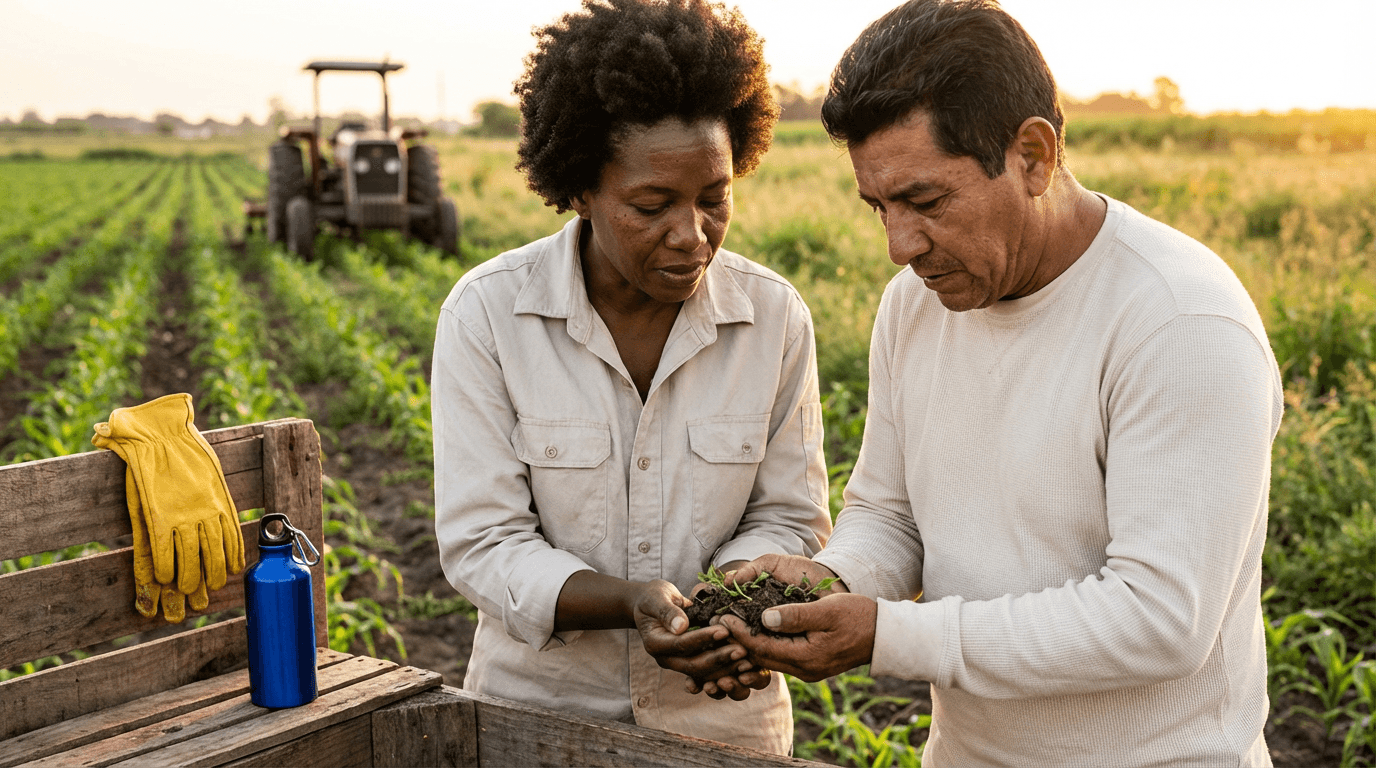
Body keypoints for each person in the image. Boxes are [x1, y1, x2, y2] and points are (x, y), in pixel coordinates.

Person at [720, 1, 1284, 765]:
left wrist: (890, 635)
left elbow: (1160, 621)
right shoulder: (915, 304)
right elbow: (891, 513)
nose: (899, 245)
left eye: (925, 201)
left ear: (1033, 156)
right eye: (879, 207)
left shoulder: (1179, 322)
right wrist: (829, 579)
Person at [430, 0, 830, 755]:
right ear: (582, 190)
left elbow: (790, 515)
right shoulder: (489, 314)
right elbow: (484, 542)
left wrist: (728, 610)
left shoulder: (774, 317)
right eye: (652, 206)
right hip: (539, 720)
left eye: (714, 199)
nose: (692, 235)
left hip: (723, 723)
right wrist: (631, 602)